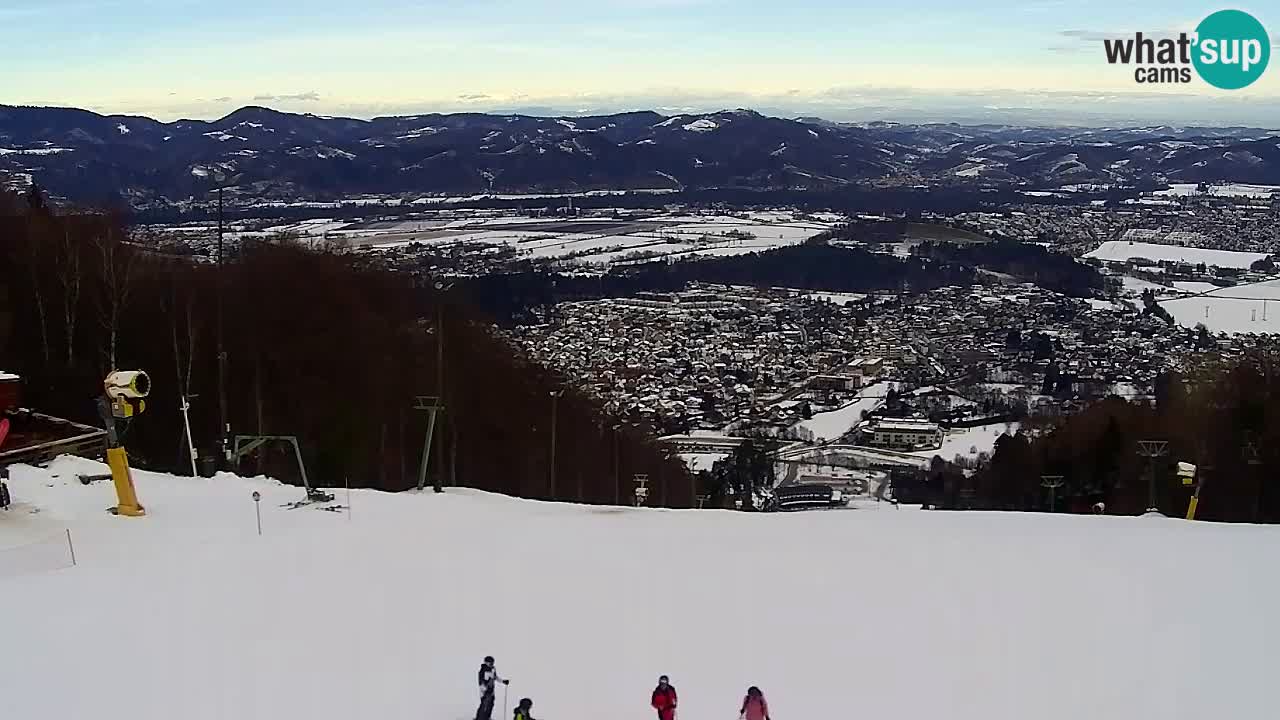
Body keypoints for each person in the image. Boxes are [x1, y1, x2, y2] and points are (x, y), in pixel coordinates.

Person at [475, 656, 508, 720]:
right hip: (485, 692)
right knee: (484, 705)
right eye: (490, 663)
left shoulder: (493, 669)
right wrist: (485, 690)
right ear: (486, 662)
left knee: (491, 704)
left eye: (492, 663)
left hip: (491, 690)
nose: (492, 664)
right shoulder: (483, 671)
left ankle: (487, 717)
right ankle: (479, 718)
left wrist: (503, 681)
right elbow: (481, 682)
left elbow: (495, 677)